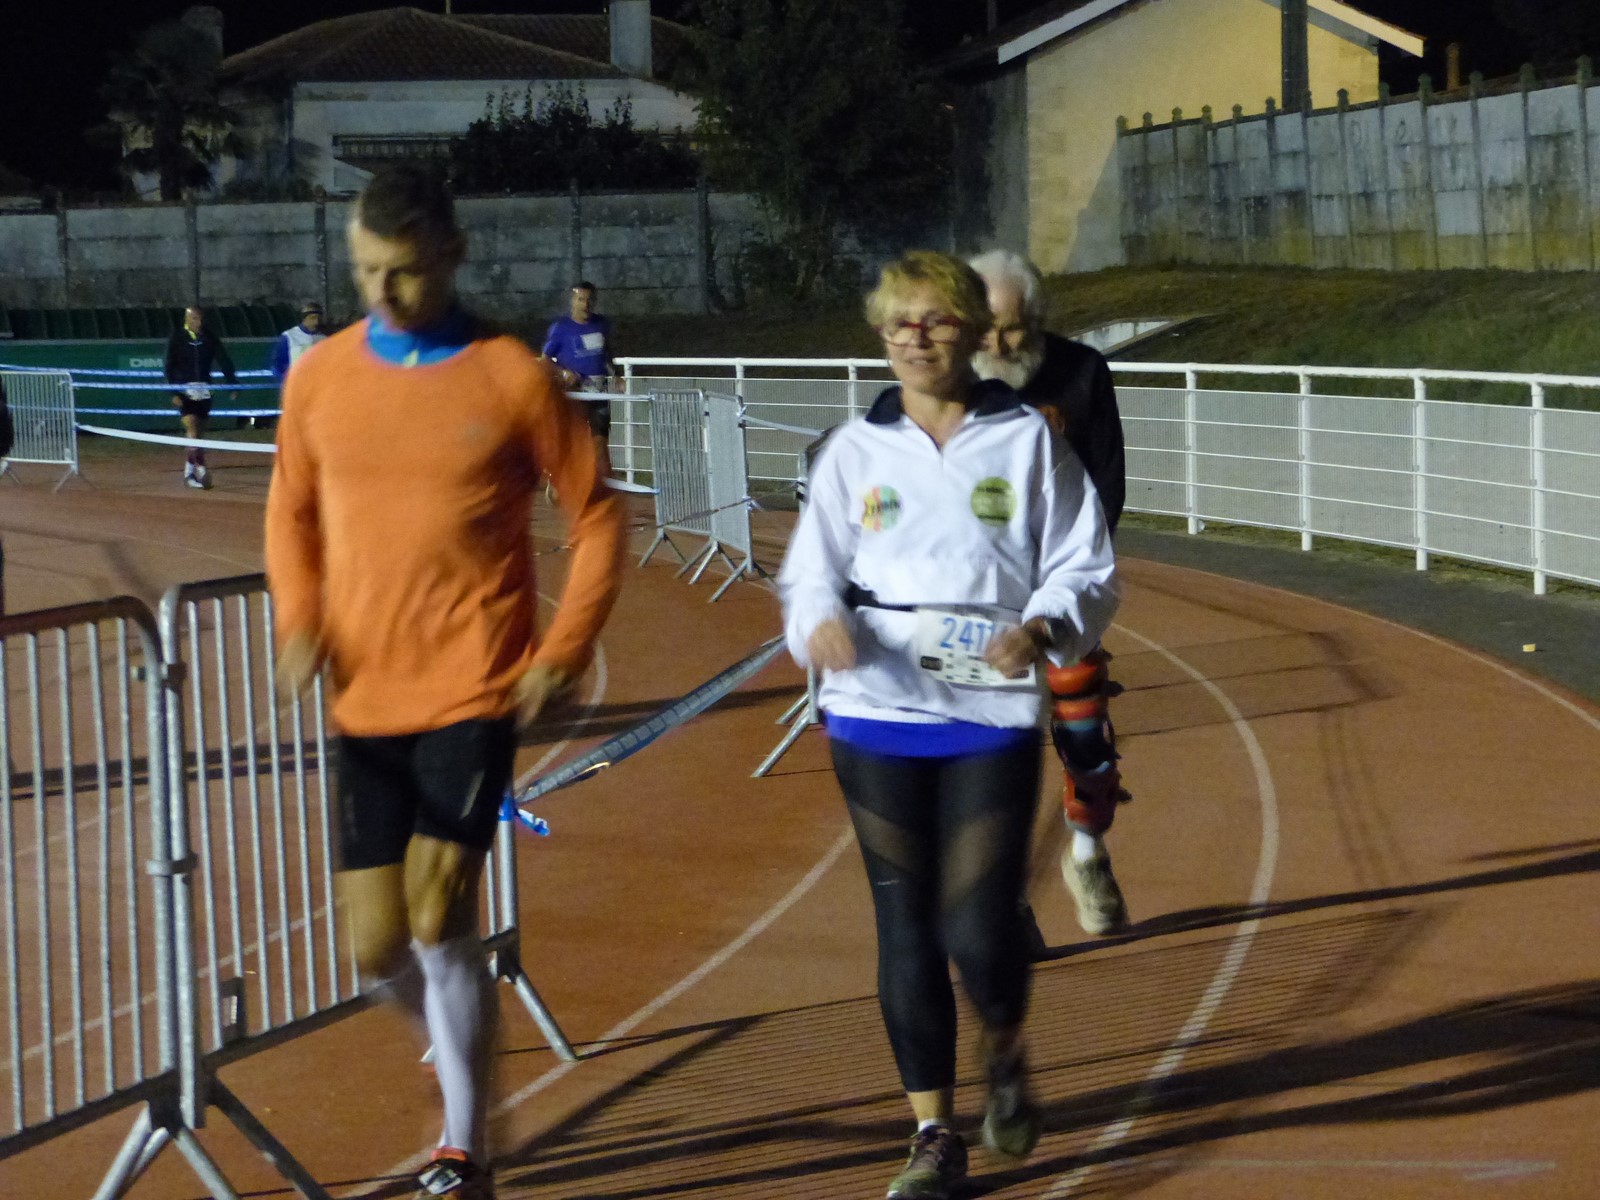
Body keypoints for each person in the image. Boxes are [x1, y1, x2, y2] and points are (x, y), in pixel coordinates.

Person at [265, 164, 626, 1200]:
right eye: (366, 272)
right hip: (364, 695)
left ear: (453, 256)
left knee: (437, 912)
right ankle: (462, 1042)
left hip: (475, 683)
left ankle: (464, 1148)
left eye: (405, 272)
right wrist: (299, 619)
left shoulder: (510, 376)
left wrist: (562, 649)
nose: (382, 292)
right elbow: (289, 511)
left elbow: (597, 514)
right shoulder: (320, 378)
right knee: (375, 948)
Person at [780, 250, 1118, 1200]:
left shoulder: (1027, 442)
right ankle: (933, 1135)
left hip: (988, 711)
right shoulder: (854, 452)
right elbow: (809, 571)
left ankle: (1003, 1046)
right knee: (905, 925)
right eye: (899, 322)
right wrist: (818, 621)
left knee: (977, 925)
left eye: (934, 321)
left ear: (970, 333)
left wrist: (1042, 625)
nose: (915, 338)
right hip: (875, 709)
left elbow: (1085, 562)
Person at [970, 249, 1132, 939]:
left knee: (1084, 735)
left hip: (1060, 594)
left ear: (1038, 319)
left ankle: (1088, 853)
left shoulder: (1082, 373)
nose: (999, 344)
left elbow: (1107, 484)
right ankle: (1006, 903)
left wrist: (1071, 582)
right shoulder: (949, 387)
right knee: (989, 757)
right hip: (979, 601)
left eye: (1013, 327)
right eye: (985, 327)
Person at [163, 304, 237, 489]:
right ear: (187, 319)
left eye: (201, 319)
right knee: (192, 428)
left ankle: (188, 474)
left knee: (198, 436)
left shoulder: (210, 337)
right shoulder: (177, 338)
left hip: (204, 390)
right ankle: (202, 470)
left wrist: (232, 383)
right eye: (195, 318)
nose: (199, 322)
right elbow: (168, 366)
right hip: (184, 391)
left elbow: (224, 359)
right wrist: (174, 392)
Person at [541, 281, 618, 452]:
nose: (585, 305)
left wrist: (617, 375)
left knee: (600, 443)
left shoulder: (602, 324)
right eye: (581, 299)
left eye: (589, 300)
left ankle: (598, 469)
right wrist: (563, 373)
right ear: (572, 301)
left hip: (598, 393)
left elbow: (606, 352)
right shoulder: (560, 328)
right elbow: (545, 360)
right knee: (573, 443)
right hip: (574, 394)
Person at [270, 300, 327, 384]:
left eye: (319, 318)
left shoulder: (324, 338)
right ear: (304, 318)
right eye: (312, 318)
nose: (316, 322)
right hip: (297, 383)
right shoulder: (289, 336)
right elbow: (278, 363)